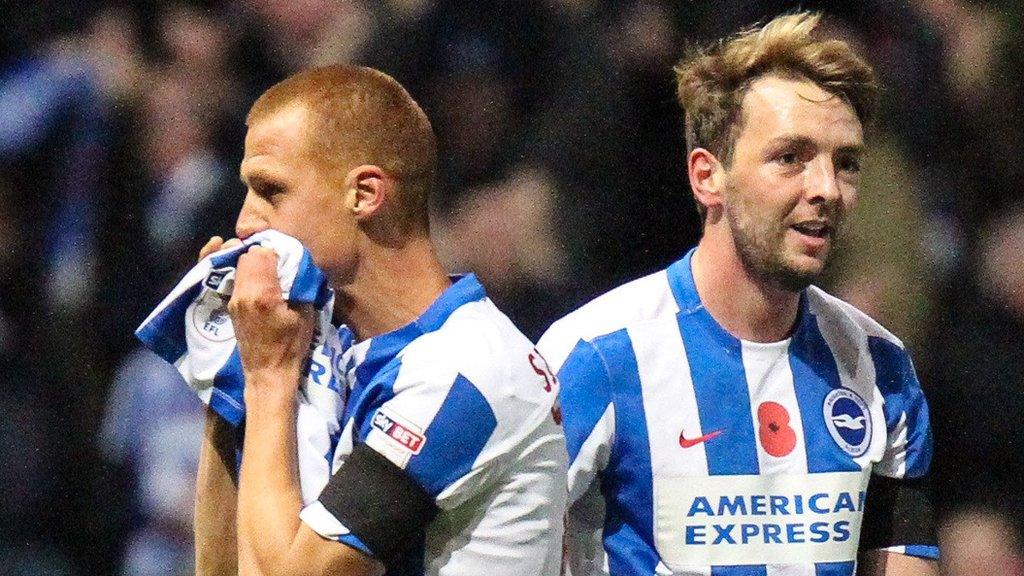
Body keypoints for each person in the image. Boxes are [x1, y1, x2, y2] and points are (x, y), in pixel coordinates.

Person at [537, 12, 938, 576]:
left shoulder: (882, 368)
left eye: (844, 163)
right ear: (708, 177)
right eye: (790, 158)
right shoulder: (596, 354)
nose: (826, 189)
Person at [194, 64, 566, 576]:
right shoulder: (328, 351)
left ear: (365, 195)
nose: (244, 222)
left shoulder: (466, 373)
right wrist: (226, 386)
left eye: (271, 190)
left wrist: (266, 377)